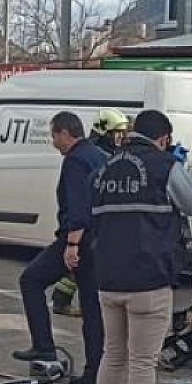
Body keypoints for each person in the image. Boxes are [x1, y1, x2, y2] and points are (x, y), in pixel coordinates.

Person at [90, 109, 192, 384]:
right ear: (164, 138)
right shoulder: (164, 165)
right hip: (148, 278)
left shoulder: (104, 167)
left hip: (108, 277)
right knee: (142, 363)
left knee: (113, 355)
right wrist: (175, 165)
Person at [14, 112, 108, 384]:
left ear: (66, 133)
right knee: (93, 308)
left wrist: (72, 244)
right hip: (101, 241)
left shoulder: (76, 160)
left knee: (31, 280)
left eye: (55, 136)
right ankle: (97, 371)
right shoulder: (100, 155)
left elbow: (79, 204)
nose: (54, 142)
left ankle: (44, 348)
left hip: (80, 240)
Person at [51, 110, 129, 317]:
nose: (120, 139)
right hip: (91, 233)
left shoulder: (88, 156)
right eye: (116, 134)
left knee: (83, 285)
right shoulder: (98, 155)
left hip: (86, 234)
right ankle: (62, 299)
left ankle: (62, 302)